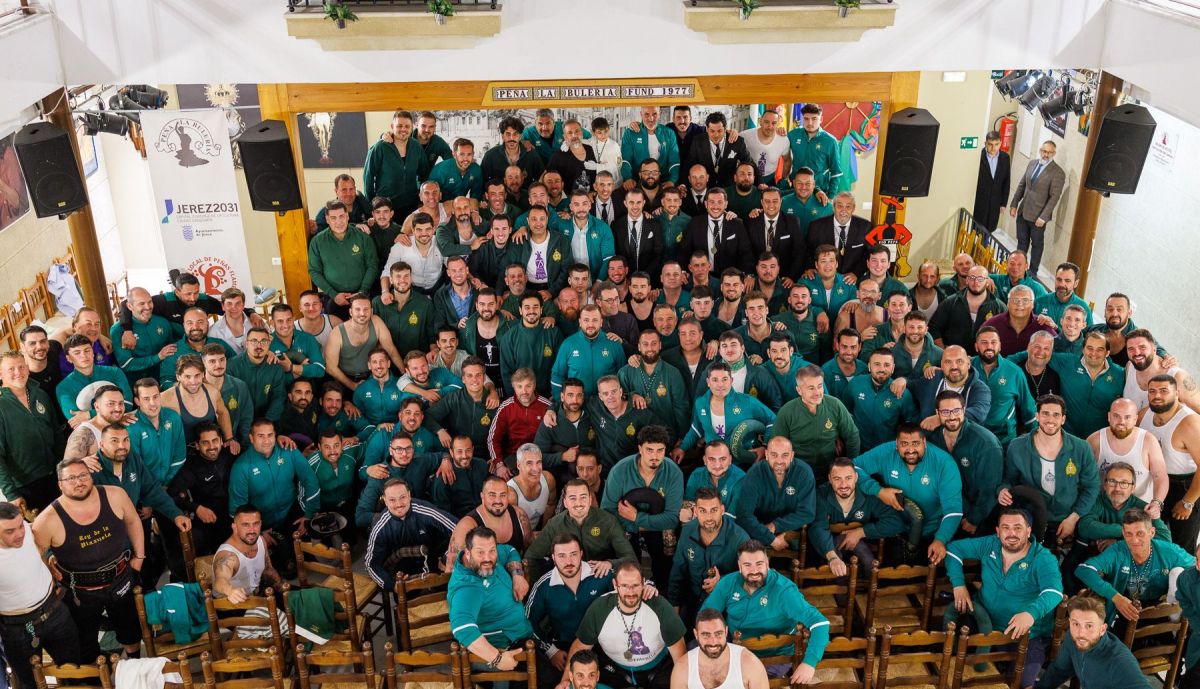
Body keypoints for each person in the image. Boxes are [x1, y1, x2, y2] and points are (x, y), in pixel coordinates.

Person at [32, 457, 145, 659]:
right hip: (79, 591)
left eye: (83, 475)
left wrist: (139, 556)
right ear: (60, 484)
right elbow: (36, 555)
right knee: (85, 641)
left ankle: (135, 667)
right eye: (71, 478)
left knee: (131, 629)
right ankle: (97, 677)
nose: (79, 481)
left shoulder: (115, 495)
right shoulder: (46, 520)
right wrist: (49, 564)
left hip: (121, 577)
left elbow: (134, 521)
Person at [945, 508, 1063, 686]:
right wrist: (959, 585)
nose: (1012, 533)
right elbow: (953, 550)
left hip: (1026, 635)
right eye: (1006, 528)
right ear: (998, 531)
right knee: (951, 661)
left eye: (1018, 528)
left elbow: (1054, 591)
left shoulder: (1043, 558)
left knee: (1023, 682)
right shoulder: (990, 543)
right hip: (983, 621)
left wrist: (1030, 614)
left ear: (1028, 531)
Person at [701, 540, 829, 684]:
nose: (754, 570)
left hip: (774, 657)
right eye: (747, 565)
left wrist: (809, 663)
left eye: (759, 564)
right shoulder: (728, 582)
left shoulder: (784, 590)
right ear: (739, 566)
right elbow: (706, 615)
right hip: (736, 649)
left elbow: (820, 622)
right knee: (696, 659)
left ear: (767, 564)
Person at [526, 533, 638, 685]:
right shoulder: (543, 585)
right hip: (564, 648)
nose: (569, 561)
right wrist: (551, 650)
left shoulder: (601, 573)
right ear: (553, 557)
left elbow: (632, 584)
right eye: (562, 556)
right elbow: (526, 621)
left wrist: (650, 587)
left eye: (573, 554)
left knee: (620, 682)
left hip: (602, 646)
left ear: (581, 554)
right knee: (552, 683)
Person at [560, 560, 687, 689]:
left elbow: (680, 656)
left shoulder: (660, 607)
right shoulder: (599, 609)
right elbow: (580, 646)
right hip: (615, 670)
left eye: (636, 585)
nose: (630, 592)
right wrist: (565, 680)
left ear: (643, 583)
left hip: (658, 668)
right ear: (615, 585)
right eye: (624, 585)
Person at [0, 501, 82, 689]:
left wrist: (49, 560)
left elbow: (43, 546)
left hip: (55, 611)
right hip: (16, 629)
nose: (20, 533)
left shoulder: (28, 530)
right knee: (29, 684)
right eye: (9, 531)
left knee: (75, 671)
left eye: (20, 525)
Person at [1000, 393, 1100, 546]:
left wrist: (1074, 518)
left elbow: (1092, 487)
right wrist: (1002, 490)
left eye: (1056, 415)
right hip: (1031, 517)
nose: (1050, 420)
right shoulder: (1017, 446)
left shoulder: (1081, 448)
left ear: (1063, 419)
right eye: (1045, 414)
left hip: (1070, 516)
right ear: (1037, 416)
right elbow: (1009, 479)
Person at [854, 424, 963, 564]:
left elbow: (954, 510)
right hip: (894, 529)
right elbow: (853, 467)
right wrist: (878, 490)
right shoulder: (886, 452)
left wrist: (940, 539)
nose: (910, 450)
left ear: (924, 443)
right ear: (896, 444)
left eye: (916, 443)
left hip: (930, 533)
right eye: (904, 444)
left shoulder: (944, 463)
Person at [227, 419, 320, 572]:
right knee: (288, 571)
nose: (266, 441)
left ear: (276, 435)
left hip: (290, 513)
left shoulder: (289, 450)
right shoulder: (241, 466)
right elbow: (237, 510)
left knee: (309, 560)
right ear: (251, 438)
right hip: (264, 523)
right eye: (261, 436)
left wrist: (309, 514)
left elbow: (310, 480)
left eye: (270, 435)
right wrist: (258, 532)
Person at [1075, 508, 1194, 624]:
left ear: (1152, 532)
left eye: (1140, 533)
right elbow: (1084, 569)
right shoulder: (1117, 551)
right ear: (1123, 533)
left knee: (1179, 572)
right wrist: (1116, 597)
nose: (1134, 540)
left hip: (1161, 611)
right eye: (1129, 534)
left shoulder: (1168, 551)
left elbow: (1196, 565)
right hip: (1124, 609)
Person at [602, 426, 684, 588]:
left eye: (660, 450)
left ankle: (662, 590)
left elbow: (672, 518)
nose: (655, 456)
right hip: (626, 526)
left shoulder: (673, 472)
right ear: (640, 449)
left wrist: (637, 518)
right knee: (629, 562)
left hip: (657, 528)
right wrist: (634, 525)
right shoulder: (620, 470)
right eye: (649, 450)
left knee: (663, 564)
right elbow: (607, 511)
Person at [448, 526, 533, 671]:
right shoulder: (468, 587)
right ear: (468, 553)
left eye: (492, 551)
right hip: (505, 648)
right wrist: (498, 658)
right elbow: (462, 628)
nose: (487, 558)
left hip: (523, 632)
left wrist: (517, 574)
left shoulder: (491, 554)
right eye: (480, 552)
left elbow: (510, 551)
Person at [926, 390, 1003, 536]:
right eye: (946, 412)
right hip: (944, 510)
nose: (952, 416)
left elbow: (990, 489)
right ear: (937, 412)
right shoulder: (932, 439)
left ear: (964, 409)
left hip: (976, 516)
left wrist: (974, 519)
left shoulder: (985, 443)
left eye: (956, 410)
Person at [1034, 593, 1150, 689]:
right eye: (1076, 624)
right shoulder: (1072, 637)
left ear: (1102, 629)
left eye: (1089, 626)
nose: (1081, 633)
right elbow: (1059, 670)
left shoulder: (1120, 660)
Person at [668, 487, 749, 624]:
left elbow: (751, 575)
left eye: (714, 510)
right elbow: (678, 571)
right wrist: (674, 607)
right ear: (695, 512)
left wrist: (723, 581)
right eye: (703, 511)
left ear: (722, 510)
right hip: (693, 598)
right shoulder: (688, 530)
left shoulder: (739, 538)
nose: (709, 517)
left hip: (727, 603)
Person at [811, 457, 904, 574]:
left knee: (869, 560)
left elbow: (896, 522)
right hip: (828, 551)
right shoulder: (821, 495)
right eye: (837, 479)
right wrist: (832, 557)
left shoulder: (869, 495)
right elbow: (817, 528)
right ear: (829, 479)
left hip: (865, 548)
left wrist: (861, 532)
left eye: (848, 478)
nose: (843, 485)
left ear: (856, 477)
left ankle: (870, 588)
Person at [1140, 374, 1200, 549]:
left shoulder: (1190, 422)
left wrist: (1188, 502)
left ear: (1177, 393)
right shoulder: (1144, 415)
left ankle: (1185, 576)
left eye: (1164, 391)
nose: (1157, 395)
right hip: (1153, 483)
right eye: (1152, 391)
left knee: (1182, 546)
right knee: (1153, 540)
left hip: (1183, 487)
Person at [0, 351, 64, 512]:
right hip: (26, 484)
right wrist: (11, 493)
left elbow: (56, 433)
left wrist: (64, 467)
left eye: (21, 367)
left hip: (55, 474)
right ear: (1, 374)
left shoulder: (40, 394)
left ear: (28, 368)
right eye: (11, 369)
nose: (18, 372)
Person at [677, 363, 776, 466]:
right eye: (715, 380)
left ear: (731, 381)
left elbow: (773, 420)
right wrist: (682, 448)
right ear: (708, 382)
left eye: (724, 379)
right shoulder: (700, 403)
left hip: (744, 463)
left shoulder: (747, 401)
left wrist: (765, 446)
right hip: (714, 463)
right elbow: (696, 429)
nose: (720, 384)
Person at [526, 478, 638, 570]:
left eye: (583, 497)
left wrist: (609, 564)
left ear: (590, 500)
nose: (578, 503)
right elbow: (531, 557)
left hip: (600, 576)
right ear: (565, 502)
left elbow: (631, 558)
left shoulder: (608, 521)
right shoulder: (555, 524)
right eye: (572, 498)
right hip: (567, 579)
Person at [773, 364, 861, 479]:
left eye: (820, 386)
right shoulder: (787, 412)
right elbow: (777, 446)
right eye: (811, 388)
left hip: (831, 470)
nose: (817, 392)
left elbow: (852, 435)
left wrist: (848, 465)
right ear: (799, 390)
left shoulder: (835, 405)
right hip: (798, 472)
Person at [364, 478, 457, 583]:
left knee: (447, 584)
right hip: (405, 563)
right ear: (385, 501)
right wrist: (391, 583)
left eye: (402, 497)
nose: (399, 504)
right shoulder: (380, 526)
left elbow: (458, 528)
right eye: (392, 500)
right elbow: (370, 564)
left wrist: (447, 557)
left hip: (434, 554)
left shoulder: (425, 510)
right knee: (407, 595)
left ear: (409, 495)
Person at [735, 436, 815, 550]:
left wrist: (775, 525)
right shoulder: (755, 473)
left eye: (785, 455)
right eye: (774, 455)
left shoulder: (804, 473)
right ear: (766, 455)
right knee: (751, 553)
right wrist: (770, 539)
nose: (779, 461)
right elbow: (744, 515)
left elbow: (807, 513)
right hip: (759, 529)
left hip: (790, 529)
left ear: (792, 455)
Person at [168, 422, 235, 556]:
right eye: (205, 443)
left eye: (215, 441)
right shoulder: (191, 467)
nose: (212, 447)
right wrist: (197, 508)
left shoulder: (231, 454)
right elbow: (171, 495)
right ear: (197, 445)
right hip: (210, 521)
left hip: (236, 515)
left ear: (222, 441)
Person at [1088, 398, 1168, 510]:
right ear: (1109, 416)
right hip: (1103, 508)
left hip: (1140, 509)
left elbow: (1160, 477)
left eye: (1127, 417)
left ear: (1135, 419)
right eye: (1116, 416)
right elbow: (1082, 476)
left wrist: (1157, 503)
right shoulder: (1095, 440)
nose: (1121, 422)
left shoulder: (1148, 441)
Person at [308, 200, 380, 320]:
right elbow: (314, 271)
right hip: (333, 297)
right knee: (338, 334)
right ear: (327, 220)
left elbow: (372, 265)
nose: (338, 222)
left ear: (347, 216)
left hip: (362, 294)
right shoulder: (317, 242)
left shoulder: (363, 237)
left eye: (341, 216)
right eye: (333, 218)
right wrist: (333, 294)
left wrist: (363, 290)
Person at [841, 348, 920, 450]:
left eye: (887, 365)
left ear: (893, 368)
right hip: (857, 448)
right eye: (877, 364)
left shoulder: (902, 393)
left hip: (887, 450)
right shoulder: (855, 384)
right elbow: (845, 411)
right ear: (869, 366)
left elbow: (912, 422)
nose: (882, 369)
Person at [324, 294, 405, 392]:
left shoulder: (376, 321)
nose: (362, 313)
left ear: (371, 311)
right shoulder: (337, 333)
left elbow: (391, 350)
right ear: (351, 312)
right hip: (345, 379)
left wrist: (405, 374)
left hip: (372, 375)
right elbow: (330, 367)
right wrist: (353, 385)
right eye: (357, 309)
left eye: (366, 309)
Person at [672, 608, 770, 689]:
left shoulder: (750, 663)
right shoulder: (682, 668)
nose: (713, 642)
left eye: (718, 634)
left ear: (726, 632)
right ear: (696, 634)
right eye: (706, 635)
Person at [1009, 141, 1067, 276]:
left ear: (1054, 153)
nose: (1045, 155)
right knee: (1022, 241)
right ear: (1040, 150)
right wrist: (1014, 204)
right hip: (1023, 211)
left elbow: (1054, 198)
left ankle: (1033, 272)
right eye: (1044, 151)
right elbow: (1022, 185)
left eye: (1049, 152)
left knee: (1036, 244)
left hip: (1038, 216)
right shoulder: (1032, 163)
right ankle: (1019, 268)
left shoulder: (1057, 172)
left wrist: (1044, 217)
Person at [971, 326, 1036, 445]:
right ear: (976, 346)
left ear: (1000, 346)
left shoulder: (1014, 372)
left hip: (1004, 440)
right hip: (971, 436)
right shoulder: (966, 368)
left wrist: (1037, 439)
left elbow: (1029, 409)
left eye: (993, 342)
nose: (989, 347)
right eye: (984, 343)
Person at [448, 475, 532, 563]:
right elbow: (451, 570)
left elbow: (530, 554)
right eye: (492, 495)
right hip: (481, 576)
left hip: (515, 574)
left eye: (502, 495)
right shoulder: (466, 526)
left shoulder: (519, 515)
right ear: (482, 496)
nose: (498, 501)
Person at [364, 109, 430, 218]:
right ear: (392, 126)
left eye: (407, 126)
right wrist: (371, 205)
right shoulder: (380, 148)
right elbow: (368, 177)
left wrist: (421, 198)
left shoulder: (416, 147)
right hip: (385, 208)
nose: (403, 129)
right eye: (399, 126)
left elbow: (424, 175)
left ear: (412, 128)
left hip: (411, 206)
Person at [909, 345, 993, 431]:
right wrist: (902, 381)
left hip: (962, 442)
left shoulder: (980, 389)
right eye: (948, 362)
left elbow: (978, 413)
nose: (954, 367)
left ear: (968, 363)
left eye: (959, 361)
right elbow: (911, 387)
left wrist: (941, 418)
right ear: (941, 365)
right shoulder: (932, 378)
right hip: (928, 441)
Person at [210, 504, 282, 602]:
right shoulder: (228, 555)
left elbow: (268, 570)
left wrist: (283, 590)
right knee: (282, 616)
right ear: (234, 527)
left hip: (257, 595)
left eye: (255, 524)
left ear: (260, 524)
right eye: (245, 525)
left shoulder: (261, 540)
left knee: (299, 601)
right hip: (233, 606)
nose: (252, 530)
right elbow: (220, 580)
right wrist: (230, 591)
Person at [551, 305, 625, 399]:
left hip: (607, 403)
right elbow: (557, 375)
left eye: (595, 320)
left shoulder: (614, 344)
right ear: (580, 322)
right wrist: (560, 400)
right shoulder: (568, 344)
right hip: (577, 402)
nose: (590, 325)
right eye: (586, 320)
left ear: (601, 322)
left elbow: (623, 376)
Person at [56, 333, 132, 420]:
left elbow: (128, 404)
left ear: (93, 352)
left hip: (121, 425)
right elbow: (75, 419)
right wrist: (114, 410)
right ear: (69, 358)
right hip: (91, 431)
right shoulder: (63, 387)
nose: (83, 356)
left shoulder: (115, 372)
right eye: (77, 353)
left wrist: (89, 414)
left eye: (87, 350)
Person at [679, 188, 753, 276]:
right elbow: (684, 250)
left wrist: (748, 275)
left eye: (720, 202)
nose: (715, 206)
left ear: (726, 204)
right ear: (706, 204)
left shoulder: (737, 224)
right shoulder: (695, 223)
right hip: (702, 277)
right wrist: (683, 271)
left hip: (730, 278)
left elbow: (746, 253)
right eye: (712, 202)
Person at [1123, 328, 1200, 413]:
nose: (1137, 353)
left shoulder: (1177, 376)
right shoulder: (1130, 366)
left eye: (1142, 347)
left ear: (1154, 349)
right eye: (1131, 349)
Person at [930, 265, 1005, 351]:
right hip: (954, 358)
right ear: (967, 280)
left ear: (987, 281)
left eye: (980, 278)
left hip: (984, 360)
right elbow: (934, 328)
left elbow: (1006, 334)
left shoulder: (999, 307)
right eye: (972, 278)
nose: (976, 282)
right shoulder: (950, 302)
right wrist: (943, 351)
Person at [111, 286, 176, 385]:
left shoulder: (162, 322)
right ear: (129, 306)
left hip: (163, 380)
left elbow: (172, 352)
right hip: (136, 385)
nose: (148, 307)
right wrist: (158, 357)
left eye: (150, 302)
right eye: (141, 304)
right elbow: (126, 364)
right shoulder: (118, 330)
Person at [227, 327, 289, 421]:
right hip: (239, 421)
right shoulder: (231, 366)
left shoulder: (275, 367)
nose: (259, 346)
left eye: (264, 341)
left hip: (267, 420)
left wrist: (267, 422)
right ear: (246, 344)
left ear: (269, 344)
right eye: (254, 341)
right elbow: (229, 400)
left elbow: (279, 397)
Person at [982, 285, 1057, 356]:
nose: (1020, 304)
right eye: (1015, 300)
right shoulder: (992, 325)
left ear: (1032, 304)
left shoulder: (1043, 325)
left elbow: (1058, 347)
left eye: (1025, 300)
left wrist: (1056, 327)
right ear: (1008, 303)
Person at [787, 103, 840, 198]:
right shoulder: (792, 135)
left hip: (820, 193)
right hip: (795, 190)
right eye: (806, 119)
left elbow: (836, 172)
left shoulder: (830, 141)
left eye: (814, 119)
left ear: (821, 119)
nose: (810, 123)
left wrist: (831, 197)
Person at [431, 435, 490, 519]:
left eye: (468, 450)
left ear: (473, 450)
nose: (464, 456)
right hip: (459, 522)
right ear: (451, 452)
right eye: (459, 451)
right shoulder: (443, 478)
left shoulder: (482, 465)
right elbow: (443, 514)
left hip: (485, 516)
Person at [622, 105, 682, 185]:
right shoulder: (630, 133)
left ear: (659, 114)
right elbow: (626, 160)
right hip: (637, 183)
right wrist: (628, 178)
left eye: (654, 114)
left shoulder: (669, 133)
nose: (651, 119)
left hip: (663, 183)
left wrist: (672, 181)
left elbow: (674, 161)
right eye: (646, 114)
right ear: (641, 114)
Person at [482, 117, 545, 191]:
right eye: (508, 134)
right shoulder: (490, 156)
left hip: (527, 200)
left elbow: (542, 178)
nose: (511, 138)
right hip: (500, 201)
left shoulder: (531, 154)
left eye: (515, 134)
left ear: (520, 136)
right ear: (502, 136)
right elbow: (482, 183)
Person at [269, 303, 327, 382]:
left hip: (309, 390)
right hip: (280, 392)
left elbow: (320, 370)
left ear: (293, 319)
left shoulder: (307, 338)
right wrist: (302, 370)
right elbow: (270, 380)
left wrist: (292, 368)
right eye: (280, 321)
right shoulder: (267, 343)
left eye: (289, 320)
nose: (285, 325)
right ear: (272, 323)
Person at [506, 443, 558, 529]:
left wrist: (544, 532)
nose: (536, 468)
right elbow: (508, 527)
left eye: (538, 462)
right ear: (519, 465)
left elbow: (551, 505)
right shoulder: (510, 493)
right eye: (529, 463)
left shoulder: (548, 479)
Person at [1033, 262, 1094, 328]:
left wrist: (1056, 328)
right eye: (1059, 279)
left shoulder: (1084, 308)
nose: (1062, 284)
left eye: (1067, 281)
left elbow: (1089, 336)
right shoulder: (1040, 301)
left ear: (1076, 283)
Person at [972, 130, 1011, 233]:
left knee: (989, 230)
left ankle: (983, 247)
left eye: (996, 144)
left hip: (995, 202)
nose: (993, 148)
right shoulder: (978, 156)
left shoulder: (1005, 158)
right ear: (985, 144)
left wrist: (1003, 203)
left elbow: (1006, 182)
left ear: (1001, 143)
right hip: (979, 201)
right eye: (990, 145)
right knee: (975, 228)